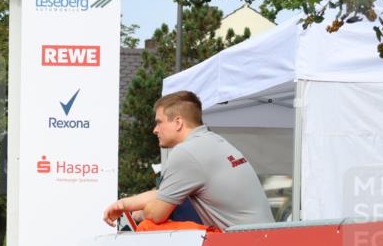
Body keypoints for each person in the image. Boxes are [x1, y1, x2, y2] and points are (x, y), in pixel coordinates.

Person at [103, 90, 274, 231]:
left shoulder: (186, 153)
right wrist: (124, 204)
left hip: (243, 245)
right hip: (263, 237)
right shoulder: (213, 141)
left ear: (178, 122)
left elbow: (156, 214)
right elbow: (166, 192)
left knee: (149, 226)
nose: (155, 130)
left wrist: (139, 213)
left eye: (159, 122)